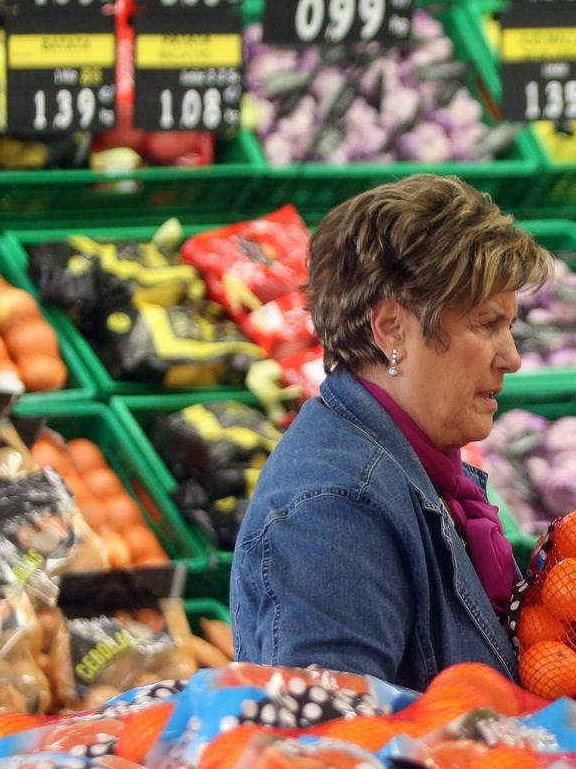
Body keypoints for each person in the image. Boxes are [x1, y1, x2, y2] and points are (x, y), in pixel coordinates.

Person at [230, 175, 553, 688]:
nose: (511, 357)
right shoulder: (332, 513)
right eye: (487, 325)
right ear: (392, 330)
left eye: (509, 327)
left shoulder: (425, 471)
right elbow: (332, 749)